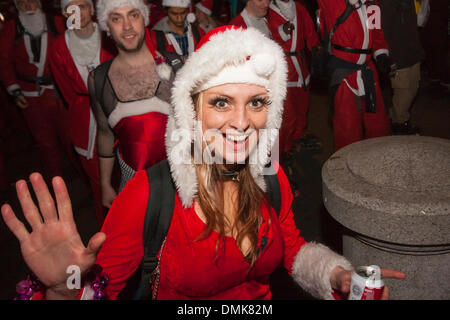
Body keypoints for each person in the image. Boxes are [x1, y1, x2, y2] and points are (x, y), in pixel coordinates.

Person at [1, 25, 406, 301]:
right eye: (221, 102)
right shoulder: (150, 194)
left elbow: (293, 251)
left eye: (257, 103)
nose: (242, 122)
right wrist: (62, 290)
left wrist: (336, 275)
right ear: (191, 111)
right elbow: (99, 289)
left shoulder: (271, 176)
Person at [89, 0, 173, 208]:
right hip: (134, 187)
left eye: (133, 15)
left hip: (183, 183)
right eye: (117, 18)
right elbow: (105, 132)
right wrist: (106, 184)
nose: (127, 26)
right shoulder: (99, 79)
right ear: (106, 26)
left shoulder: (176, 66)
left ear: (144, 18)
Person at [49, 0, 116, 228]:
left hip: (118, 114)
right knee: (98, 182)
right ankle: (106, 230)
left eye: (83, 5)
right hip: (85, 122)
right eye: (72, 8)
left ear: (91, 8)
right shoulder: (58, 46)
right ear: (65, 13)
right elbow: (67, 91)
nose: (79, 12)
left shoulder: (109, 33)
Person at [0, 0, 75, 183]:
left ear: (40, 3)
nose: (28, 8)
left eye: (32, 2)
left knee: (71, 139)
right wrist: (14, 90)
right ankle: (56, 181)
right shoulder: (11, 28)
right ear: (17, 7)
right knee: (46, 143)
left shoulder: (56, 22)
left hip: (59, 93)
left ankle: (84, 177)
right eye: (23, 4)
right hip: (31, 97)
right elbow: (4, 60)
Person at [317, 0, 391, 151]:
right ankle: (344, 169)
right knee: (347, 129)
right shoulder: (333, 3)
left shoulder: (372, 4)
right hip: (344, 74)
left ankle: (377, 161)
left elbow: (377, 34)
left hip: (369, 72)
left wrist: (381, 53)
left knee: (379, 125)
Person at [268, 0, 320, 157]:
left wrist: (315, 49)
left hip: (301, 65)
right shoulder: (267, 11)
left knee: (302, 106)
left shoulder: (299, 8)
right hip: (283, 66)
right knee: (287, 113)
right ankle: (285, 149)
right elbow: (266, 37)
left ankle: (297, 139)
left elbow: (309, 30)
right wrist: (282, 32)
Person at [378, 0, 424, 135]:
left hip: (413, 52)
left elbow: (418, 22)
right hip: (398, 55)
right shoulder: (384, 4)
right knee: (403, 92)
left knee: (413, 87)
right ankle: (399, 125)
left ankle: (397, 118)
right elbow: (382, 31)